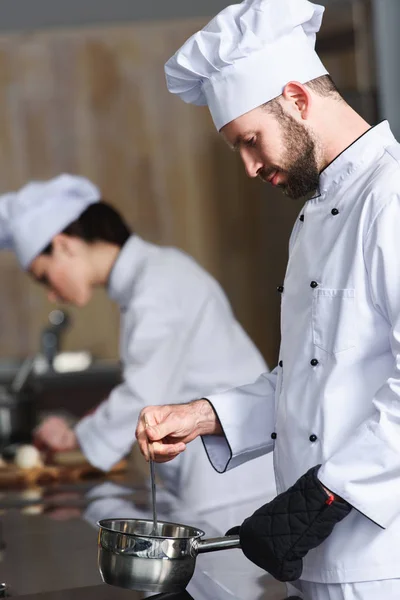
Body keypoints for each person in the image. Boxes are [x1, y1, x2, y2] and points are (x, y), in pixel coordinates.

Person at [135, 0, 400, 598]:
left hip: (382, 562)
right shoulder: (311, 221)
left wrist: (327, 493)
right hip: (312, 558)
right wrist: (201, 415)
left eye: (251, 141)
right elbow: (310, 376)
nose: (251, 167)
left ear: (298, 100)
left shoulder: (392, 199)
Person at [0, 174, 276, 530]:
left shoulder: (157, 283)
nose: (51, 294)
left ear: (64, 244)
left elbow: (144, 394)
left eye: (44, 277)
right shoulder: (149, 278)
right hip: (214, 475)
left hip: (230, 484)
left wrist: (76, 436)